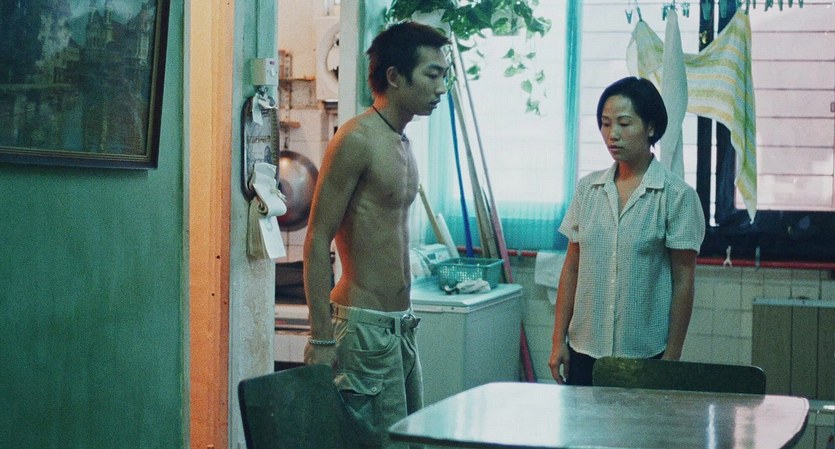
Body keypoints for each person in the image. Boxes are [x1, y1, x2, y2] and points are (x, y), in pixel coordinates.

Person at [302, 21, 450, 447]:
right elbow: (316, 239)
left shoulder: (401, 142)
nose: (441, 88)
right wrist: (321, 337)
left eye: (444, 75)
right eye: (432, 75)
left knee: (410, 441)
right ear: (394, 77)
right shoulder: (356, 139)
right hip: (362, 328)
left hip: (401, 327)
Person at [548, 76, 706, 386]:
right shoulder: (588, 189)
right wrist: (558, 341)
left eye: (624, 123)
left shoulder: (676, 196)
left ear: (651, 127)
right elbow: (571, 268)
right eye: (606, 124)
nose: (613, 135)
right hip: (584, 349)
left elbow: (684, 281)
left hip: (646, 355)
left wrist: (672, 358)